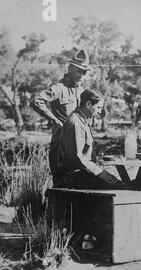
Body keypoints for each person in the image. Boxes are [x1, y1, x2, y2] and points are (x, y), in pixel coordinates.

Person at [31, 49, 91, 185]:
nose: (82, 75)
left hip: (79, 143)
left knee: (79, 183)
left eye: (84, 72)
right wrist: (54, 119)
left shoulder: (81, 90)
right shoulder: (58, 88)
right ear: (70, 69)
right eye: (79, 71)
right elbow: (36, 101)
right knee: (60, 183)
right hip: (61, 144)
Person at [55, 89, 121, 189]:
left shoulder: (81, 120)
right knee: (120, 185)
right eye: (98, 107)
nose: (99, 111)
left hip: (82, 173)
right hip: (74, 177)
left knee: (118, 182)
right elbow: (77, 158)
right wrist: (99, 172)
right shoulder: (76, 123)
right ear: (88, 104)